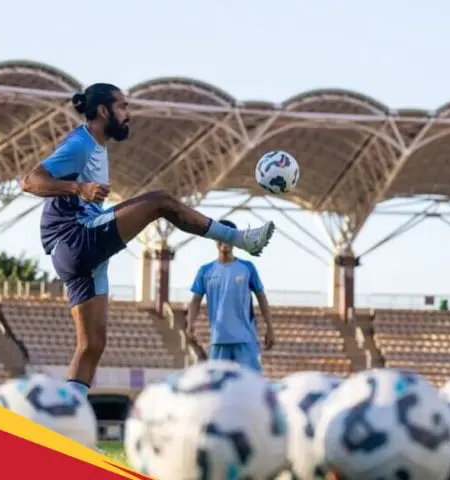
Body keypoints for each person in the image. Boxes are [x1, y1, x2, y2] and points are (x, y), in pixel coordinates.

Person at [20, 84, 276, 397]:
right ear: (103, 111)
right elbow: (30, 181)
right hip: (75, 237)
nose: (128, 114)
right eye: (123, 107)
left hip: (81, 253)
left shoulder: (96, 147)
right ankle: (240, 238)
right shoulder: (81, 143)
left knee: (91, 346)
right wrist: (79, 189)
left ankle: (64, 430)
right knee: (161, 202)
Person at [186, 219, 275, 372]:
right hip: (219, 339)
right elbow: (195, 300)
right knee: (217, 386)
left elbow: (261, 296)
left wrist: (270, 327)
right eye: (220, 236)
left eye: (228, 236)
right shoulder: (205, 271)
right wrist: (190, 325)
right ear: (215, 239)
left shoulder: (247, 268)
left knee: (252, 382)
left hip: (246, 338)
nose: (224, 241)